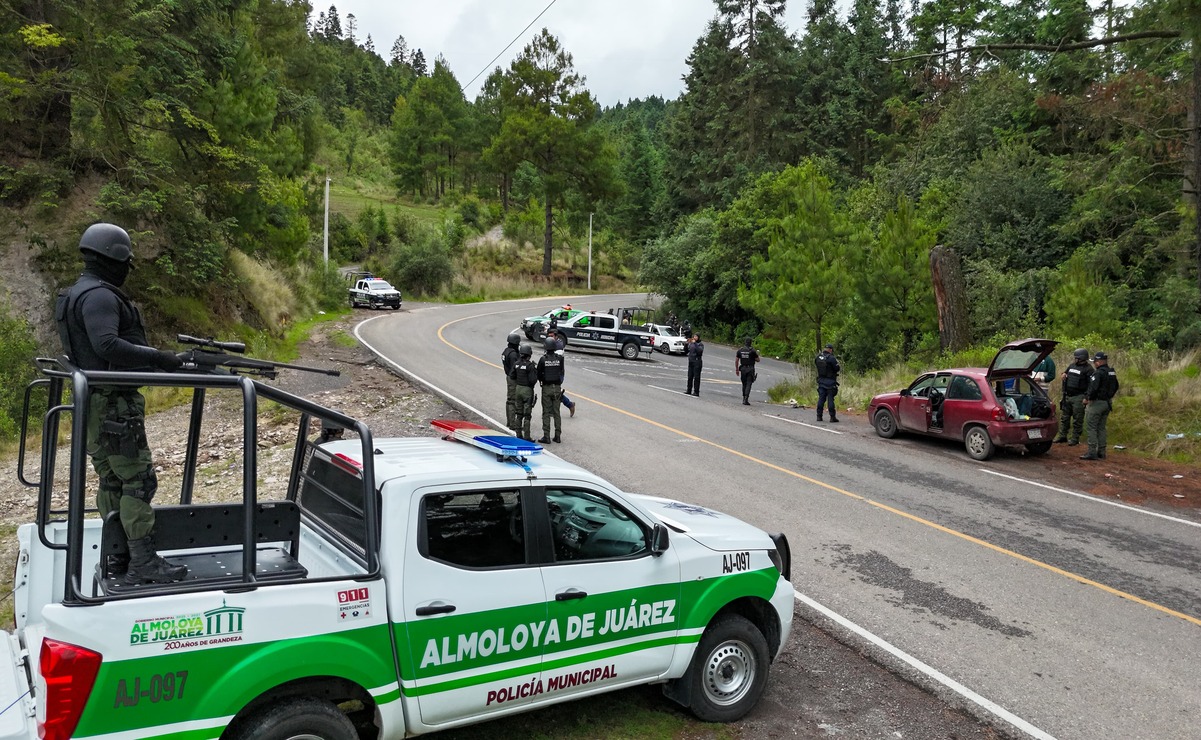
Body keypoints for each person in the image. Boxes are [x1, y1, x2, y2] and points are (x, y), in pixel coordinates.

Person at [54, 223, 187, 585]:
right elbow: (107, 345)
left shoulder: (76, 294)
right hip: (113, 404)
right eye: (126, 262)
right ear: (114, 259)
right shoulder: (99, 296)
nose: (127, 269)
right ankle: (142, 562)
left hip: (95, 402)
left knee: (113, 480)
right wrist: (158, 357)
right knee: (138, 480)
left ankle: (119, 558)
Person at [1080, 352, 1119, 460]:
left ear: (1099, 362)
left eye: (1095, 362)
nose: (1094, 364)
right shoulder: (1111, 372)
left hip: (1096, 403)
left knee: (1091, 427)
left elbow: (1093, 388)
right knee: (1101, 428)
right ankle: (1102, 452)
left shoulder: (1098, 373)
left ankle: (1092, 452)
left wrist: (1087, 398)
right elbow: (1116, 386)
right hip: (1107, 403)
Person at [1054, 348, 1093, 446]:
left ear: (1081, 358)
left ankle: (1075, 438)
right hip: (1067, 395)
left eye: (1076, 357)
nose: (1074, 359)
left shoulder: (1089, 369)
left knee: (1077, 419)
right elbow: (1065, 373)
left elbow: (1091, 385)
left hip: (1079, 397)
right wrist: (1063, 375)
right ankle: (1062, 436)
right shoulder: (1072, 366)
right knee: (1065, 417)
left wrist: (1086, 397)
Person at [537, 336, 565, 443]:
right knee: (557, 412)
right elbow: (562, 372)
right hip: (557, 387)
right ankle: (557, 436)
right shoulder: (560, 359)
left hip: (546, 387)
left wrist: (542, 381)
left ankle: (546, 436)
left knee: (546, 412)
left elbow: (539, 374)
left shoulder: (543, 359)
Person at [546, 329, 576, 417]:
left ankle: (569, 404)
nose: (550, 338)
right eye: (549, 336)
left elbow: (555, 361)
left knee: (555, 391)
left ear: (556, 336)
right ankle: (552, 410)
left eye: (552, 336)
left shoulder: (558, 346)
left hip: (557, 373)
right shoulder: (549, 343)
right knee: (551, 390)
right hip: (550, 372)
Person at [510, 344, 538, 441]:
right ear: (529, 354)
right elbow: (533, 380)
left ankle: (518, 434)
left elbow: (512, 375)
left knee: (519, 413)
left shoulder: (516, 364)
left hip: (518, 389)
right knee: (527, 415)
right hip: (527, 390)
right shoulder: (530, 365)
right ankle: (527, 436)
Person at [501, 332, 522, 433]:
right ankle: (512, 423)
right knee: (512, 401)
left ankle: (509, 421)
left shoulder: (506, 351)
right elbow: (516, 368)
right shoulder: (513, 354)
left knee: (509, 399)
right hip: (513, 378)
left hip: (508, 376)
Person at [815, 343, 841, 422]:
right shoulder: (831, 358)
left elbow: (816, 365)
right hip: (830, 382)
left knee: (821, 399)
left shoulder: (818, 357)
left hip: (821, 381)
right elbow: (837, 368)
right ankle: (832, 417)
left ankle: (819, 416)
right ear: (830, 350)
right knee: (830, 399)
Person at [735, 337, 760, 405]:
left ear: (745, 342)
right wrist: (753, 358)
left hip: (743, 368)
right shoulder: (752, 351)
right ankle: (746, 398)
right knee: (749, 383)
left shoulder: (740, 350)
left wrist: (737, 369)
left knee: (744, 384)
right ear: (751, 343)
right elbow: (758, 360)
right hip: (750, 369)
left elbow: (736, 360)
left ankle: (743, 398)